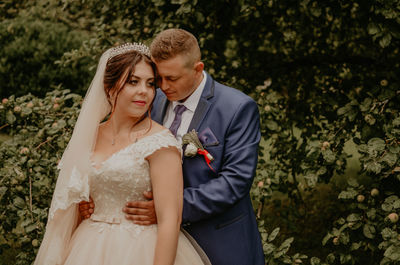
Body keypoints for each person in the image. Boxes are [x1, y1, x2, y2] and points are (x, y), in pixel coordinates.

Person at [81, 29, 265, 265]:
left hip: (217, 238)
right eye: (159, 78)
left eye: (172, 78)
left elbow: (235, 181)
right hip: (146, 242)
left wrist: (170, 208)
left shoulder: (237, 108)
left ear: (198, 69)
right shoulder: (148, 99)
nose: (162, 87)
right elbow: (122, 149)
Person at [34, 42, 210, 265]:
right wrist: (81, 208)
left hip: (141, 249)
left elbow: (169, 220)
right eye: (133, 81)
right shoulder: (89, 136)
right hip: (87, 247)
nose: (143, 92)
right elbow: (68, 199)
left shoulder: (159, 142)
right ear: (109, 87)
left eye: (150, 84)